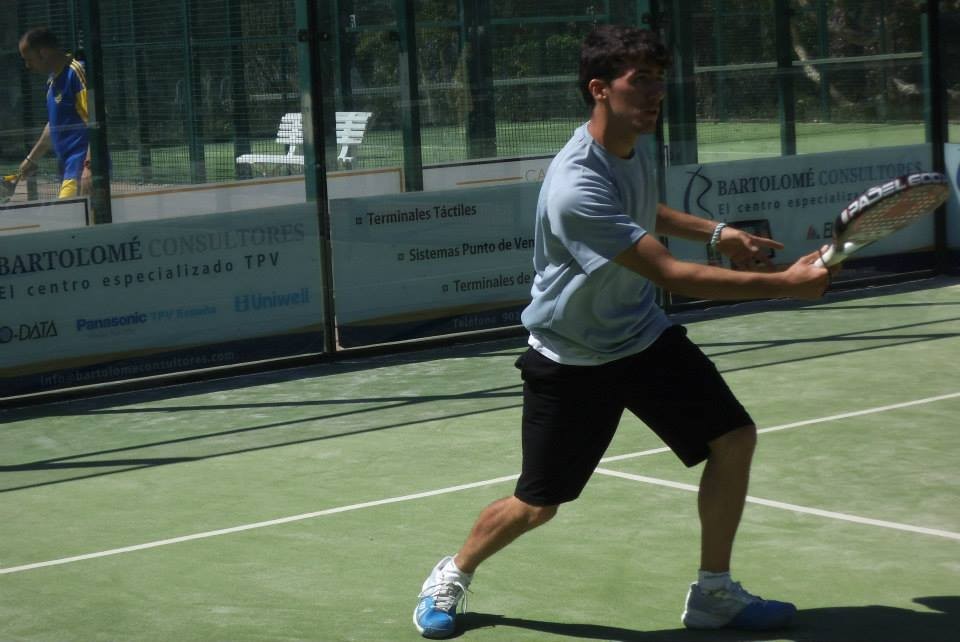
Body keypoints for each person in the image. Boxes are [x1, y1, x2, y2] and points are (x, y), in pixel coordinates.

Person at [413, 25, 835, 639]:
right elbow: (668, 272)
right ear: (600, 89)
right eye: (641, 81)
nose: (656, 93)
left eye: (660, 80)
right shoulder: (574, 184)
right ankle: (453, 571)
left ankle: (714, 593)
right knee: (537, 505)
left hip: (641, 336)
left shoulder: (630, 146)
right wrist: (787, 286)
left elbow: (642, 212)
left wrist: (717, 233)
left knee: (733, 438)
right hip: (572, 359)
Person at [17, 27, 93, 199]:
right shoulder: (52, 81)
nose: (28, 66)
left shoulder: (76, 73)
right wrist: (31, 159)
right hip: (68, 169)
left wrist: (89, 167)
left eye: (29, 59)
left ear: (43, 53)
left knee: (68, 213)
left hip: (81, 167)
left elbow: (97, 120)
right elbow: (54, 126)